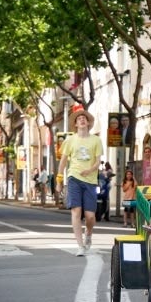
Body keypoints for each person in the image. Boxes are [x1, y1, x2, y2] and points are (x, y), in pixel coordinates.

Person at [57, 109, 102, 255]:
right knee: (76, 211)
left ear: (88, 123)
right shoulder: (70, 140)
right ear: (75, 124)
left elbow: (97, 161)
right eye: (79, 119)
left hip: (90, 180)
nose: (82, 120)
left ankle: (88, 233)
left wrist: (90, 170)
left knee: (90, 216)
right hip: (74, 177)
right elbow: (63, 161)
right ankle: (80, 246)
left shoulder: (96, 140)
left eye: (84, 118)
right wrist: (59, 180)